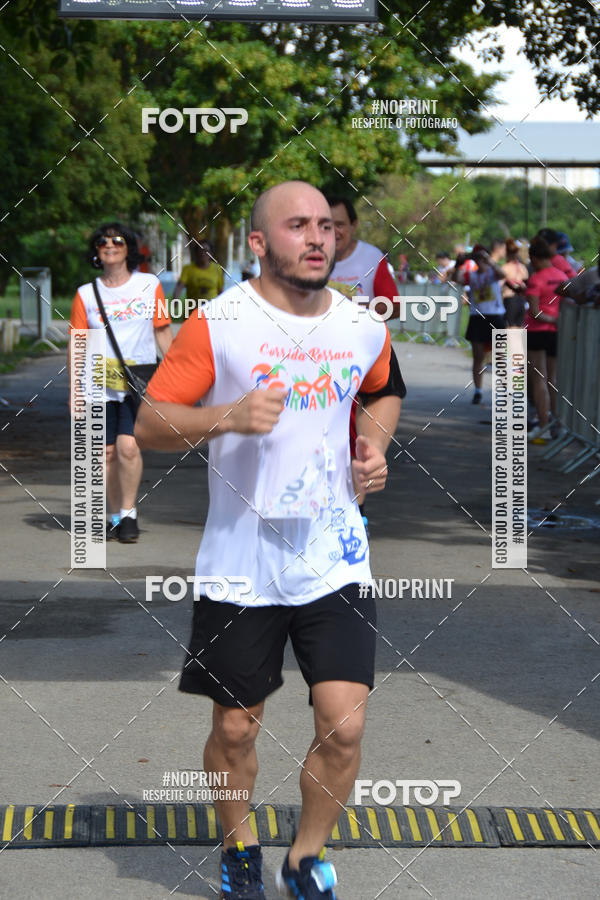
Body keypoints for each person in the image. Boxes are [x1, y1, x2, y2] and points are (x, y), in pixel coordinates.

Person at [135, 181, 403, 900]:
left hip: (335, 558)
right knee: (235, 729)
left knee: (343, 728)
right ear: (259, 243)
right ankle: (240, 846)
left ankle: (305, 857)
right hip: (241, 563)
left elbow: (383, 388)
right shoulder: (220, 325)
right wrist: (226, 416)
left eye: (324, 226)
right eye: (296, 226)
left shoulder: (360, 325)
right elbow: (151, 423)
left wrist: (372, 450)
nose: (317, 238)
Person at [68, 223, 173, 542]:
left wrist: (178, 376)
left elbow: (161, 331)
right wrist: (74, 391)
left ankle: (129, 514)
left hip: (137, 381)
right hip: (96, 381)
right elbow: (78, 343)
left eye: (117, 240)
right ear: (96, 251)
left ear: (129, 248)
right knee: (106, 454)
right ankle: (113, 516)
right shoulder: (86, 294)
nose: (109, 245)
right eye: (102, 241)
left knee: (128, 447)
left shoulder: (148, 284)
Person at [325, 194, 404, 532]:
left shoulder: (371, 258)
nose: (333, 232)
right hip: (311, 355)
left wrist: (357, 310)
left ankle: (353, 509)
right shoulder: (304, 255)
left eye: (339, 224)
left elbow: (393, 306)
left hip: (360, 355)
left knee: (354, 433)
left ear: (353, 225)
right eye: (325, 224)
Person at [525, 237, 566, 442]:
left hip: (538, 331)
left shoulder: (536, 278)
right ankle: (557, 423)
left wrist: (550, 320)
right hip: (555, 332)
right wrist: (558, 322)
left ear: (534, 258)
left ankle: (543, 426)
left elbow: (534, 312)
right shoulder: (562, 276)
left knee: (538, 379)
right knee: (554, 378)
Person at [461, 246, 506, 404]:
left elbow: (503, 275)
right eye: (477, 258)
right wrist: (457, 264)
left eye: (482, 258)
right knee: (478, 356)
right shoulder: (471, 275)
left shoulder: (493, 273)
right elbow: (456, 279)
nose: (480, 261)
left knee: (500, 355)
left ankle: (503, 390)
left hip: (495, 316)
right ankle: (478, 390)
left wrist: (490, 261)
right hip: (477, 317)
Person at [174, 239, 225, 308]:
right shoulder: (188, 269)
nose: (203, 253)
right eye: (200, 250)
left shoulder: (217, 269)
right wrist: (176, 299)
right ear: (196, 252)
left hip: (211, 312)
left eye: (206, 251)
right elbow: (179, 287)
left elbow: (220, 291)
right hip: (193, 312)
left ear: (211, 253)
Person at [501, 238, 529, 327]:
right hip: (521, 301)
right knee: (519, 329)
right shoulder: (523, 268)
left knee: (506, 330)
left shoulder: (505, 268)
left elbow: (498, 286)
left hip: (509, 301)